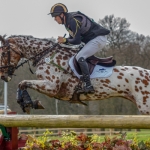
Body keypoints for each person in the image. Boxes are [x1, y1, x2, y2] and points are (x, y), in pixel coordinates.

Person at [48, 3, 110, 94]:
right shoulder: (67, 23)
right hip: (92, 40)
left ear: (61, 15)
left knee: (80, 57)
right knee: (74, 56)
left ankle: (88, 85)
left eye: (55, 16)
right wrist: (61, 44)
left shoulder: (72, 20)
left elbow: (76, 41)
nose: (54, 19)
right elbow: (72, 40)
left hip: (98, 39)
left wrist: (64, 40)